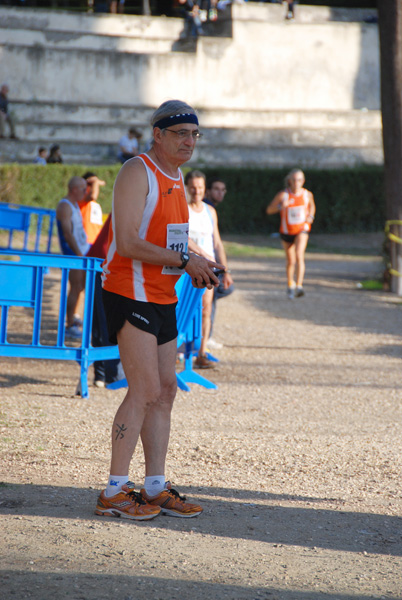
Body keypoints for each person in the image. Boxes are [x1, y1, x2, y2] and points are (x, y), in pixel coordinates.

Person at [95, 99, 224, 521]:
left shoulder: (177, 175)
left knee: (167, 389)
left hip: (162, 293)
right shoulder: (137, 170)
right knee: (145, 389)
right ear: (157, 134)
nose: (190, 141)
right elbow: (128, 242)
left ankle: (153, 486)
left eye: (194, 134)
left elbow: (170, 240)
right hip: (129, 291)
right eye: (180, 133)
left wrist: (197, 257)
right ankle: (114, 490)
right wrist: (186, 261)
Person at [185, 169, 233, 368]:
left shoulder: (210, 211)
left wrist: (225, 270)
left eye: (200, 187)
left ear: (205, 190)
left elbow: (217, 242)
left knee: (206, 310)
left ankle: (201, 352)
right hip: (185, 268)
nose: (197, 191)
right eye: (193, 188)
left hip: (209, 269)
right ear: (187, 188)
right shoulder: (182, 209)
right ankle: (179, 350)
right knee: (183, 310)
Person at [86, 214, 124, 388]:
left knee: (101, 323)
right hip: (109, 263)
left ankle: (102, 373)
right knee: (108, 322)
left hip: (101, 261)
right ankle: (110, 374)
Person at [266, 168, 316, 299]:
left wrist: (310, 217)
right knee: (291, 260)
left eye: (299, 180)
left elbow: (312, 206)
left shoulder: (307, 194)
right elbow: (269, 210)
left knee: (299, 254)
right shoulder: (283, 195)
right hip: (287, 231)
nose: (296, 182)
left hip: (302, 230)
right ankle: (290, 285)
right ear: (289, 181)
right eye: (294, 180)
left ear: (303, 181)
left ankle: (299, 285)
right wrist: (280, 207)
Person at [56, 177, 90, 339]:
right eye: (84, 189)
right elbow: (67, 234)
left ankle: (72, 317)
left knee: (79, 287)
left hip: (81, 251)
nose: (86, 192)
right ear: (74, 189)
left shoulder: (74, 204)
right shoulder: (65, 206)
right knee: (76, 287)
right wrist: (79, 254)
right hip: (74, 254)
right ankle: (69, 324)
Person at [203, 176, 233, 349]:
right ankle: (204, 337)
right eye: (216, 189)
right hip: (204, 263)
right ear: (208, 191)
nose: (220, 193)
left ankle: (206, 335)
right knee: (212, 295)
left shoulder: (211, 209)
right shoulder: (206, 208)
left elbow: (217, 242)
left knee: (213, 297)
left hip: (211, 263)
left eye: (223, 190)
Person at [78, 172, 105, 245]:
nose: (95, 187)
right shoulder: (81, 199)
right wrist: (97, 182)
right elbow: (93, 196)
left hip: (95, 243)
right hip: (84, 242)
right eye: (92, 184)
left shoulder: (95, 204)